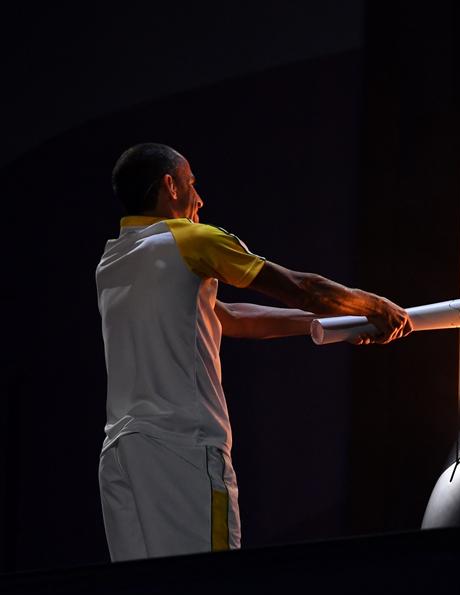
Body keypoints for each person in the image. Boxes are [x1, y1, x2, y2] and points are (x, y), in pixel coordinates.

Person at [96, 143, 411, 561]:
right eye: (192, 183)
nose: (200, 198)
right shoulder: (193, 239)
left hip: (122, 454)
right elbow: (301, 287)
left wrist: (329, 326)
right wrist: (369, 304)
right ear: (170, 186)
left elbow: (229, 318)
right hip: (184, 448)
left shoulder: (113, 261)